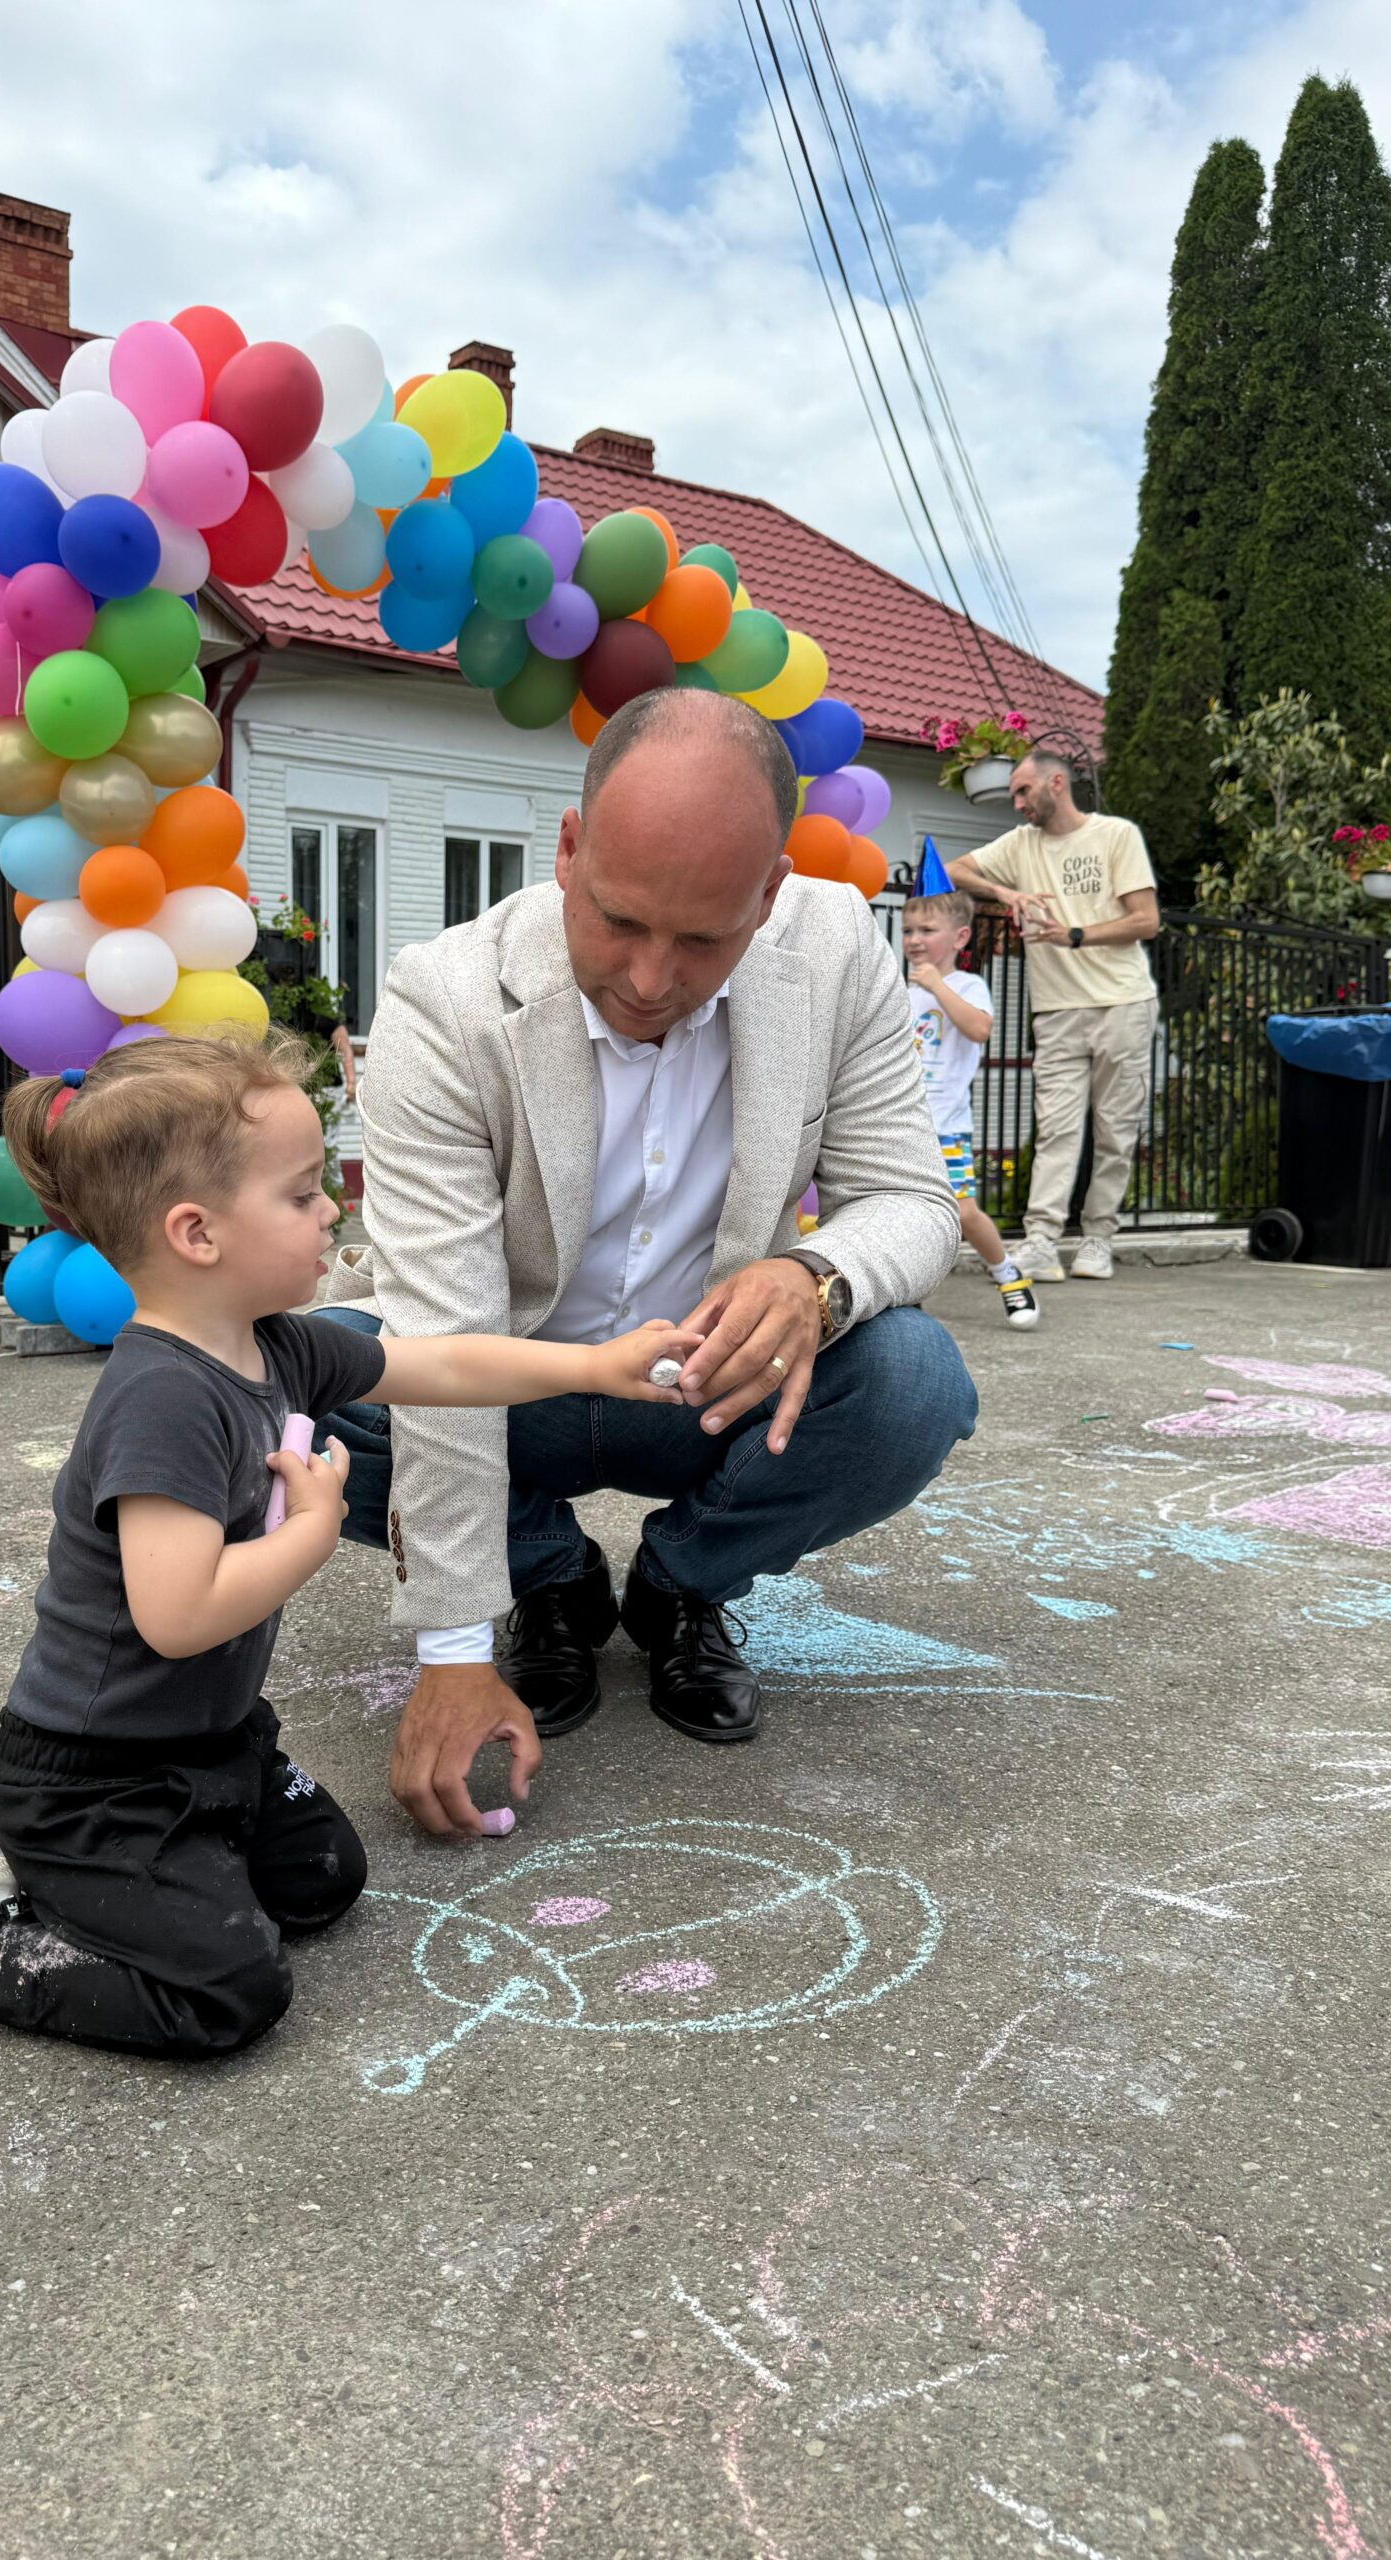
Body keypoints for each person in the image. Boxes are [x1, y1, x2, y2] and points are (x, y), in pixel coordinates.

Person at [0, 1032, 693, 2060]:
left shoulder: (275, 1343)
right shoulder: (162, 1400)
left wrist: (594, 1365)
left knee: (322, 1882)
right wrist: (315, 1527)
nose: (333, 1212)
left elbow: (441, 1364)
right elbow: (179, 1615)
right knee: (229, 1993)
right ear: (197, 1232)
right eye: (302, 1193)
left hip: (213, 1744)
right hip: (95, 1780)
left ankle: (96, 1886)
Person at [315, 687, 979, 1838]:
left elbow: (913, 1202)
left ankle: (680, 1588)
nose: (652, 978)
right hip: (513, 1378)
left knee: (915, 1379)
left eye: (704, 939)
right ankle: (547, 1578)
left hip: (708, 1384)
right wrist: (456, 1649)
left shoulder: (834, 951)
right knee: (294, 1382)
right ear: (569, 851)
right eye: (619, 921)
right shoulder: (446, 996)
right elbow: (440, 1333)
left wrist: (814, 1278)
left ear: (768, 895)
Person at [947, 752, 1161, 1283]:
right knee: (1056, 1131)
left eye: (1023, 791)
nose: (1017, 803)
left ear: (1057, 783)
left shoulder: (1116, 835)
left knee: (1115, 1132)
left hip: (1123, 1003)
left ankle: (1097, 1240)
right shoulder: (1020, 844)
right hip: (1056, 1010)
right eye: (1014, 794)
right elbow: (954, 869)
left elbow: (1146, 920)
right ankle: (1041, 1242)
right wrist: (1006, 892)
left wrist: (1075, 935)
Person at [901, 890, 1039, 1330]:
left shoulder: (967, 986)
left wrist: (937, 986)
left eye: (927, 930)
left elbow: (979, 1029)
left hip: (947, 1125)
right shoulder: (902, 992)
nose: (914, 939)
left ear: (960, 937)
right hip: (902, 1126)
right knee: (903, 1214)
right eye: (908, 930)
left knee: (962, 1213)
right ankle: (907, 1296)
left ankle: (1008, 1274)